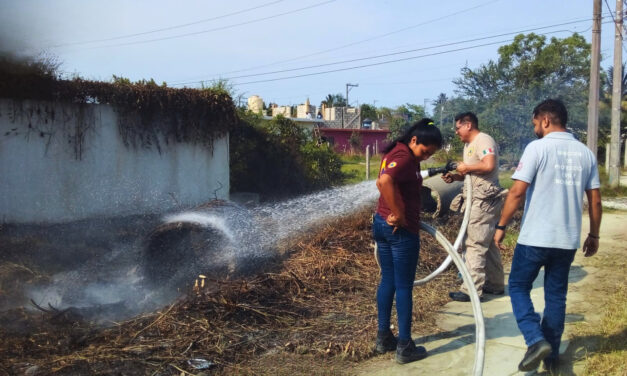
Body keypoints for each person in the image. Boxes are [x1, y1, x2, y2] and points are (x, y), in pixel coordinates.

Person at [494, 99, 602, 373]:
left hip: (534, 238)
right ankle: (551, 358)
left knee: (518, 287)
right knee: (556, 297)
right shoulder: (586, 153)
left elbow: (517, 192)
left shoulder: (537, 148)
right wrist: (594, 235)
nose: (535, 129)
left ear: (545, 120)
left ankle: (535, 339)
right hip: (566, 241)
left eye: (535, 124)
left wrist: (501, 226)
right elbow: (596, 200)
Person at [373, 118, 442, 364]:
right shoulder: (403, 156)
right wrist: (400, 213)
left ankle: (384, 337)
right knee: (403, 286)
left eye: (430, 154)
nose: (426, 156)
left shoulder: (399, 153)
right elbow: (384, 181)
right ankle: (405, 345)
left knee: (388, 280)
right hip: (400, 232)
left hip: (382, 225)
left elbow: (384, 180)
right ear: (414, 140)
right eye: (425, 151)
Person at [442, 112, 505, 302]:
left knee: (474, 242)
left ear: (468, 125)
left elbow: (488, 165)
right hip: (476, 198)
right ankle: (494, 284)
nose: (456, 132)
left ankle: (471, 289)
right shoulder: (468, 146)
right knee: (485, 240)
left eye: (458, 127)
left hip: (484, 200)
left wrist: (466, 168)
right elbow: (472, 174)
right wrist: (455, 176)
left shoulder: (484, 140)